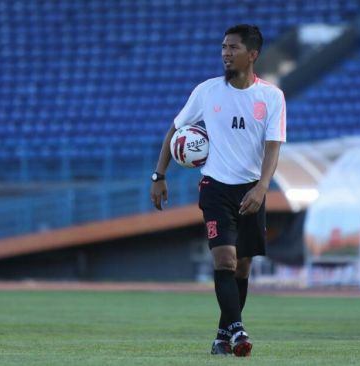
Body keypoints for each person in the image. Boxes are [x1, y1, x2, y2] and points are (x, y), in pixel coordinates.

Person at [150, 24, 286, 357]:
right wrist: (159, 175)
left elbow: (273, 146)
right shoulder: (207, 91)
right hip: (215, 188)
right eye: (223, 47)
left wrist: (262, 186)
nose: (226, 53)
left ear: (252, 54)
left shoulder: (270, 97)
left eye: (233, 48)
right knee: (224, 260)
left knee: (242, 268)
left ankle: (222, 336)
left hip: (252, 191)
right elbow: (175, 128)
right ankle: (238, 331)